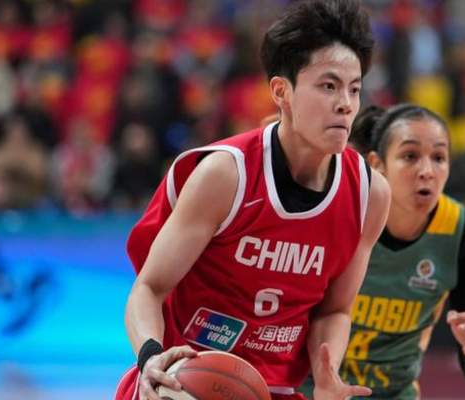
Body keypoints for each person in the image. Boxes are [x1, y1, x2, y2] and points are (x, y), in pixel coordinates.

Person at [114, 1, 391, 400]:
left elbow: (335, 310)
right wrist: (151, 356)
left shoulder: (369, 195)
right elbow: (149, 288)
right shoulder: (226, 175)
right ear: (281, 91)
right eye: (328, 86)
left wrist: (326, 373)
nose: (346, 103)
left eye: (355, 89)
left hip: (273, 389)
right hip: (182, 381)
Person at [302, 104, 465, 399]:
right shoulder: (336, 213)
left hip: (394, 392)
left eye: (439, 158)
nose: (427, 172)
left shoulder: (460, 232)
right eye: (410, 156)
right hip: (313, 390)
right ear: (377, 163)